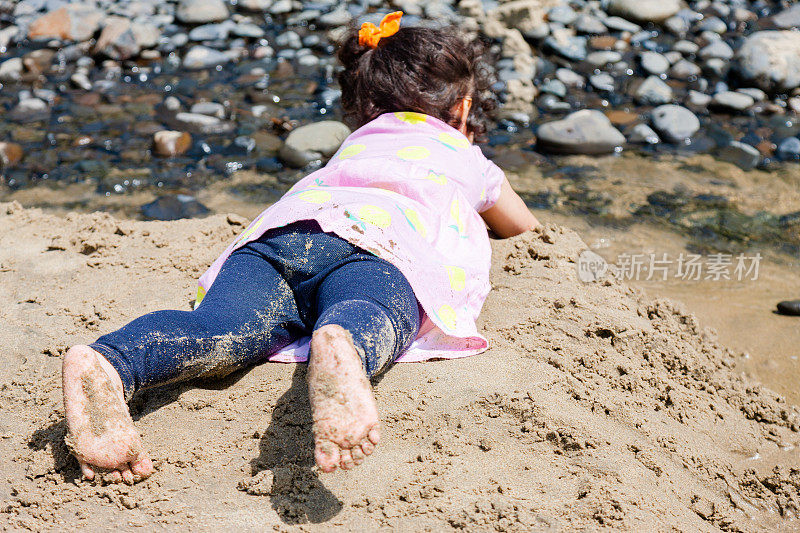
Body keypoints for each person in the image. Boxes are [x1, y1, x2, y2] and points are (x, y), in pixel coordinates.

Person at [61, 12, 539, 485]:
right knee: (369, 306)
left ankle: (111, 361)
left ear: (365, 106)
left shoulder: (356, 145)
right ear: (462, 110)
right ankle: (343, 339)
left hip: (282, 237)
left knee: (221, 329)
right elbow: (527, 230)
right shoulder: (468, 157)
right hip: (382, 245)